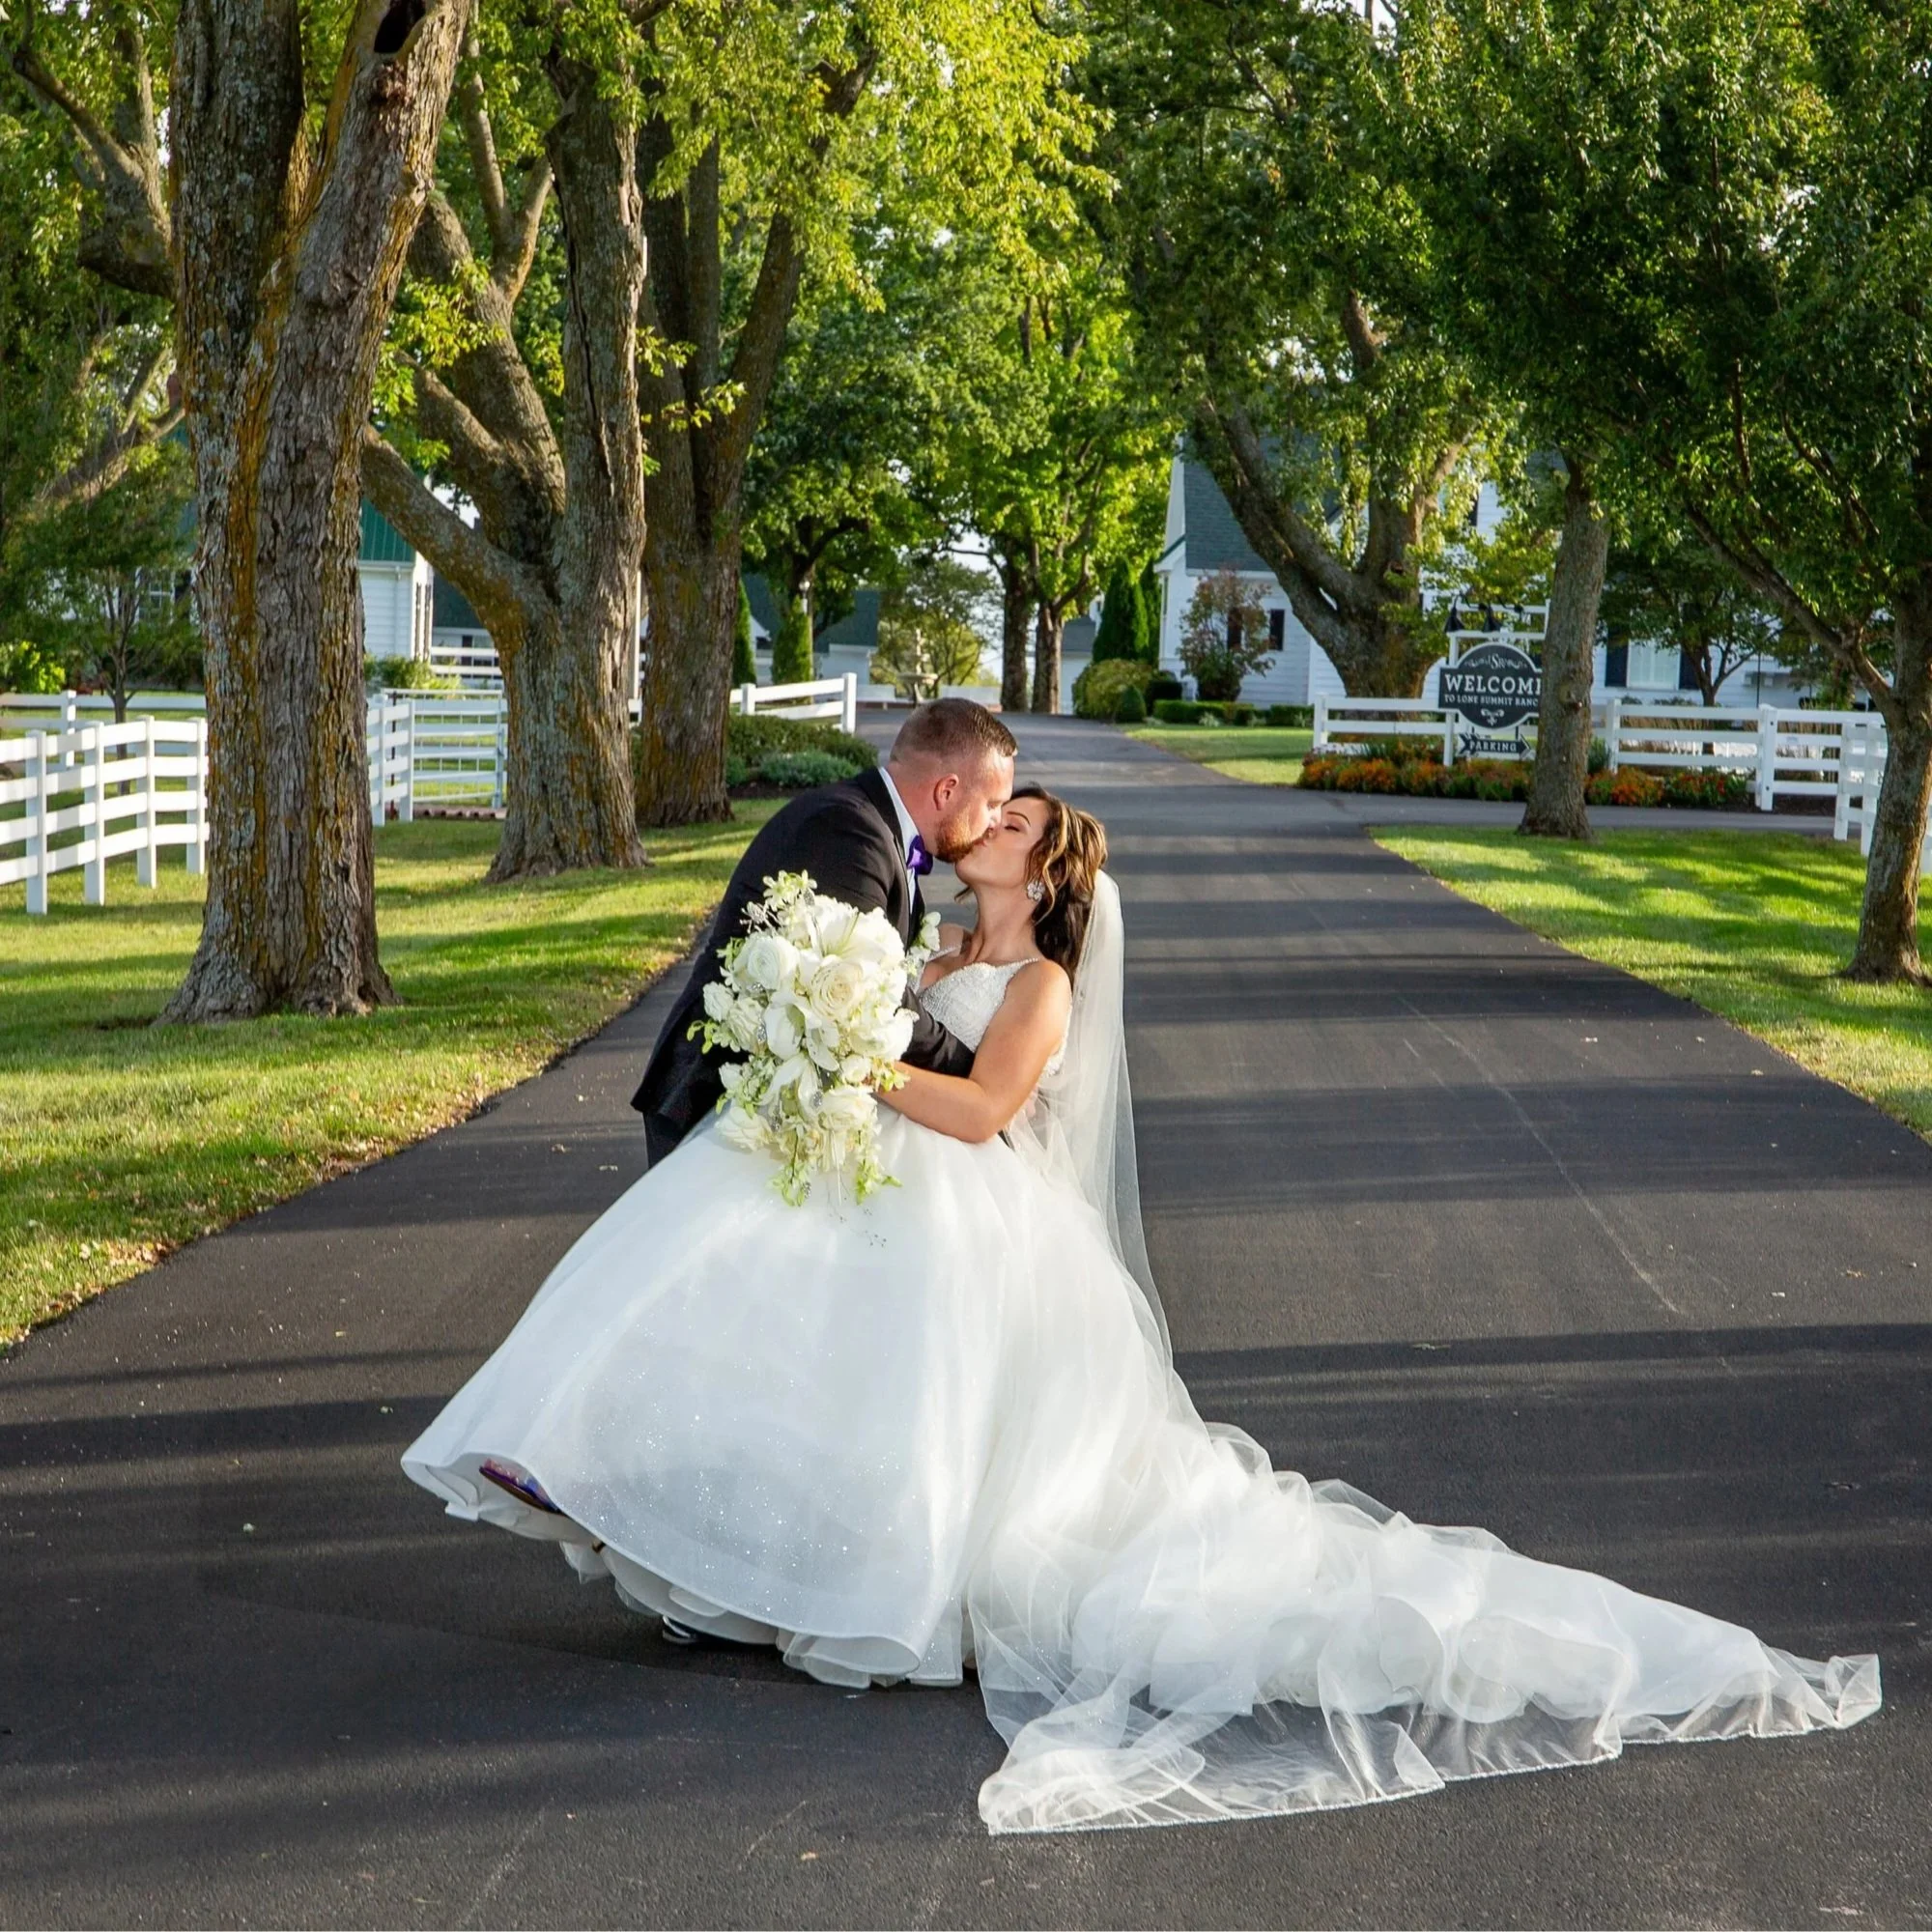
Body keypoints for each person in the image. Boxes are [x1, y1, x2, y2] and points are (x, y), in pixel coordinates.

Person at [404, 783, 1880, 1835]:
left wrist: (846, 1060)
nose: (994, 823)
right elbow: (901, 1040)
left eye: (1023, 822)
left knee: (959, 1439)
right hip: (887, 1206)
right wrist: (841, 1033)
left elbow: (983, 1113)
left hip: (977, 1223)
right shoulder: (927, 947)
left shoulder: (1039, 981)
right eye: (996, 809)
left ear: (1051, 873)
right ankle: (682, 1517)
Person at [630, 696, 1016, 1167]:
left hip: (771, 1100)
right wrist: (981, 1074)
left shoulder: (873, 828)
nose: (995, 821)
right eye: (993, 804)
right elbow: (872, 997)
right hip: (720, 1102)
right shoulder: (850, 832)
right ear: (947, 791)